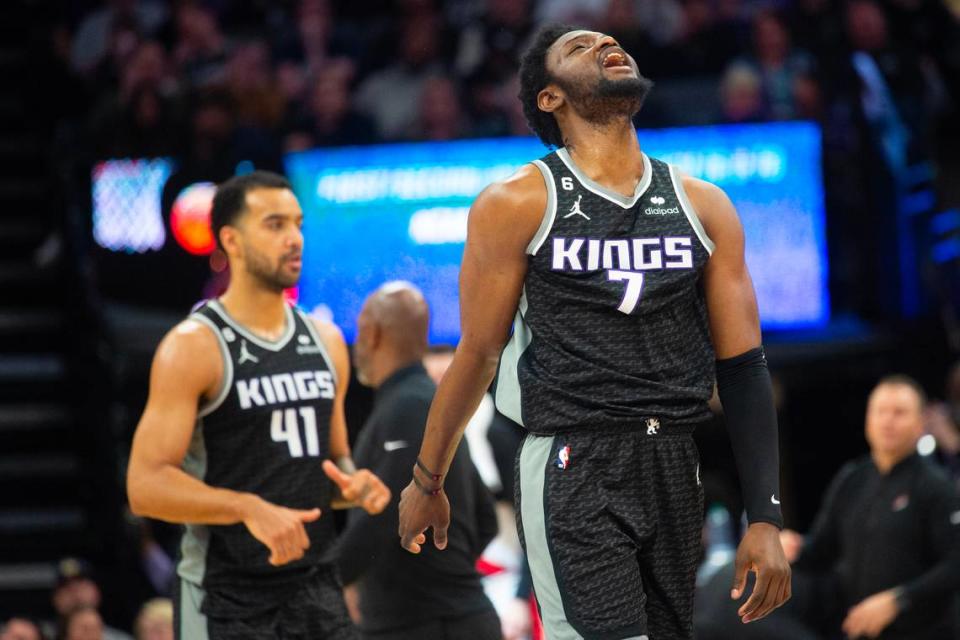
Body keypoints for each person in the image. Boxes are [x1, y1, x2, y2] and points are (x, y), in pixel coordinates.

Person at [398, 24, 791, 639]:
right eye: (579, 47)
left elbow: (742, 367)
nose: (606, 44)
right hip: (571, 457)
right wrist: (428, 478)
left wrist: (764, 516)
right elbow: (477, 354)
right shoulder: (515, 202)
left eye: (610, 40)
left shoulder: (704, 203)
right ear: (550, 98)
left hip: (674, 457)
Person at [126, 170, 390, 639]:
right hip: (225, 593)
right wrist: (248, 507)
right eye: (274, 225)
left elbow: (331, 461)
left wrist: (353, 484)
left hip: (316, 587)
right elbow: (145, 486)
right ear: (231, 240)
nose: (294, 239)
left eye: (297, 224)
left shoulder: (326, 340)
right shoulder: (193, 346)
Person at [333, 282, 500, 640]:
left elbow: (381, 520)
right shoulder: (430, 406)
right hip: (458, 619)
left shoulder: (406, 408)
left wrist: (315, 586)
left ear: (372, 334)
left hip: (422, 625)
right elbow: (486, 519)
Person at [779, 375, 960, 639]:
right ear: (867, 419)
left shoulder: (936, 485)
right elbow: (822, 550)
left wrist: (898, 600)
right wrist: (793, 549)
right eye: (880, 411)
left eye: (899, 413)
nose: (887, 420)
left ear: (921, 424)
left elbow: (955, 564)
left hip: (925, 631)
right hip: (861, 630)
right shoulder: (852, 478)